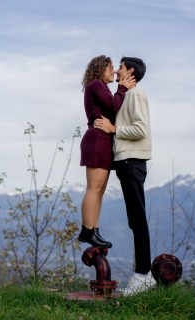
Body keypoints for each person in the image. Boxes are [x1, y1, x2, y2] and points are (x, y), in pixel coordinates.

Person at [93, 56, 156, 295]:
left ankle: (143, 275)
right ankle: (143, 274)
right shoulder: (126, 95)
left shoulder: (135, 95)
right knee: (134, 219)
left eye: (120, 67)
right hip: (125, 162)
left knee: (138, 219)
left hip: (132, 162)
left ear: (130, 70)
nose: (117, 70)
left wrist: (113, 129)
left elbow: (141, 130)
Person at [78, 55, 135, 248]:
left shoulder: (101, 87)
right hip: (96, 140)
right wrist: (122, 88)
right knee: (94, 188)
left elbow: (113, 111)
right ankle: (87, 230)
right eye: (110, 67)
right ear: (99, 68)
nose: (114, 71)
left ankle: (95, 229)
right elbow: (112, 107)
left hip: (104, 141)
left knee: (100, 190)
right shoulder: (95, 84)